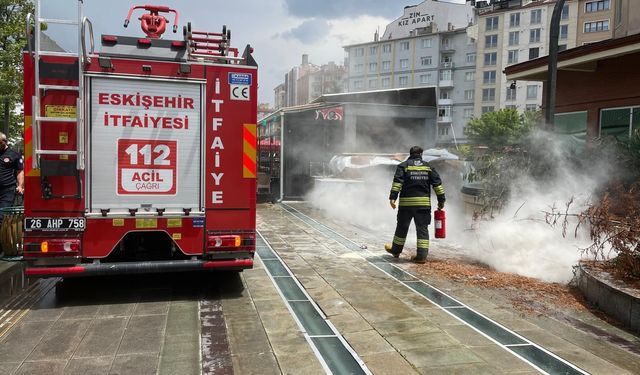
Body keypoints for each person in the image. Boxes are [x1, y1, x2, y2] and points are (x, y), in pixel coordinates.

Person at [384, 146, 445, 263]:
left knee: (402, 227)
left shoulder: (403, 166)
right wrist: (441, 200)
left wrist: (393, 197)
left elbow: (397, 182)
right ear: (421, 154)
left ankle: (396, 250)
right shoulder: (428, 167)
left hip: (406, 205)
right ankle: (421, 257)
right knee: (422, 229)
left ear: (410, 154)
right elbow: (437, 185)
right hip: (423, 205)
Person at [0, 132, 24, 219]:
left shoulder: (14, 154)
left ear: (4, 142)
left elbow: (20, 171)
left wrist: (20, 186)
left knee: (1, 216)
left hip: (7, 190)